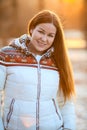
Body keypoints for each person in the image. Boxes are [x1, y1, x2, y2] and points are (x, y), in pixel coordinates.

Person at [0, 10, 76, 130]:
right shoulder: (6, 55)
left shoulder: (58, 60)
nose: (44, 39)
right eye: (41, 32)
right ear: (31, 29)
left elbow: (66, 102)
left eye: (50, 35)